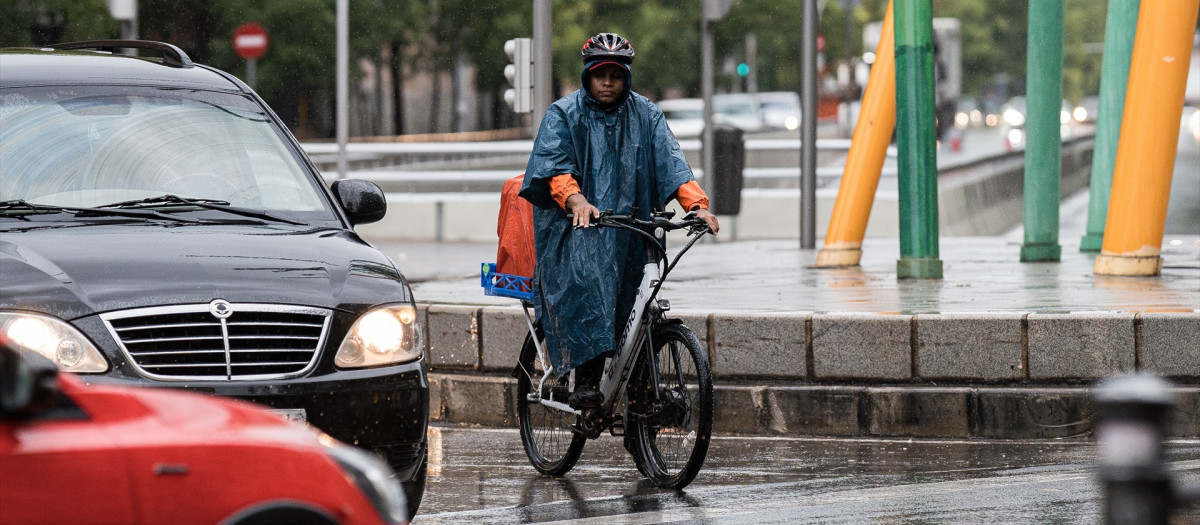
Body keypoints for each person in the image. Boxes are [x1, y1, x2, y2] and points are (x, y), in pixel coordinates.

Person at [519, 33, 719, 409]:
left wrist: (697, 206)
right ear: (587, 77)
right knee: (588, 281)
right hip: (575, 231)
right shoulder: (563, 114)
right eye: (600, 75)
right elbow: (556, 170)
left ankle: (640, 406)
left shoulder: (647, 114)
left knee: (640, 298)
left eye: (615, 74)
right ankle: (587, 378)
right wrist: (576, 201)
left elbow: (672, 164)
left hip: (632, 229)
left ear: (626, 77)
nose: (608, 82)